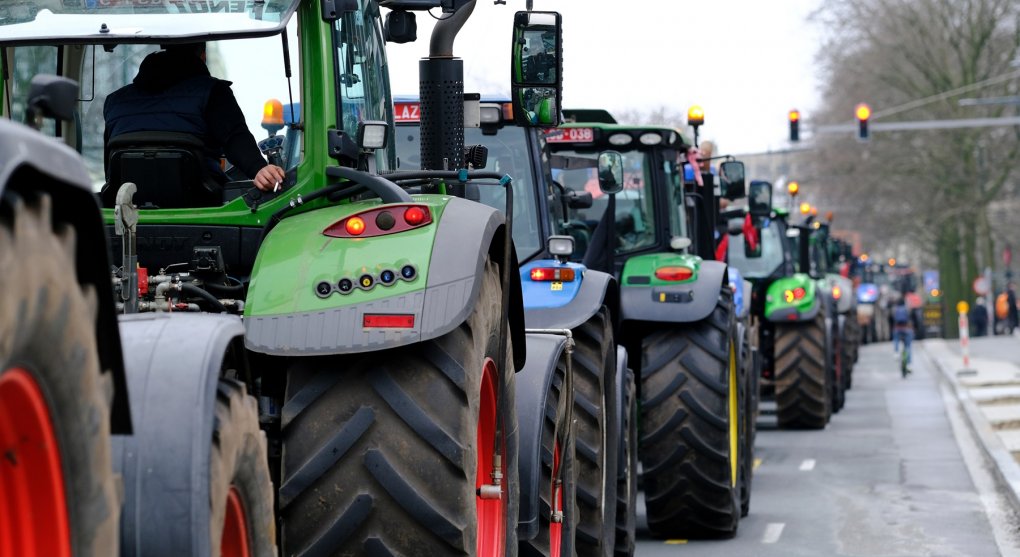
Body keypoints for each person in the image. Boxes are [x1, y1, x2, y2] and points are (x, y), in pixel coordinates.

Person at [104, 43, 284, 195]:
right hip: (203, 201)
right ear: (202, 55)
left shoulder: (114, 101)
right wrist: (259, 168)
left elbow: (110, 170)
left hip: (128, 207)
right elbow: (235, 138)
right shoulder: (212, 92)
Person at [892, 298, 913, 374]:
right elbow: (910, 317)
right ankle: (909, 365)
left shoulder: (895, 309)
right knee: (908, 347)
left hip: (898, 329)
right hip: (906, 330)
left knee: (896, 340)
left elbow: (892, 319)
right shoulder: (907, 309)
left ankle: (896, 352)